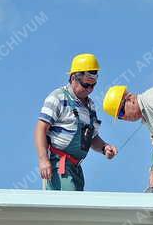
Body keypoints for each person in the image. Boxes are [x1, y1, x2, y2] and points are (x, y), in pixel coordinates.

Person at [35, 54, 117, 191]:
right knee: (68, 208)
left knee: (78, 208)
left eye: (93, 85)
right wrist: (43, 159)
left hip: (76, 168)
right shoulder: (58, 97)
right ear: (73, 78)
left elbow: (91, 137)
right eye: (86, 85)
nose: (90, 89)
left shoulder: (90, 105)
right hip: (59, 166)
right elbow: (40, 129)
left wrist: (104, 147)